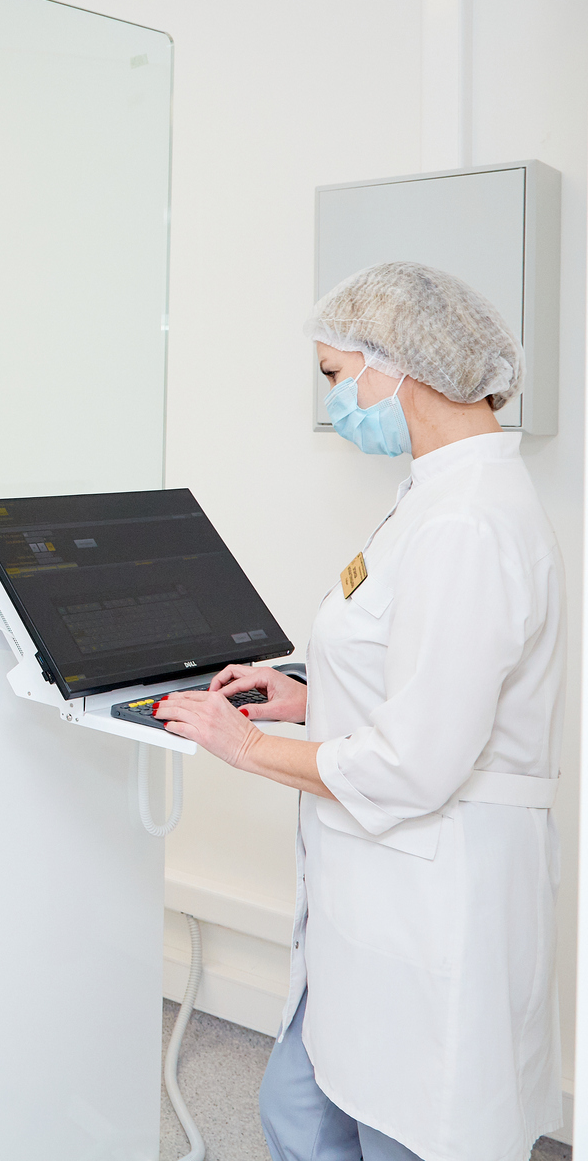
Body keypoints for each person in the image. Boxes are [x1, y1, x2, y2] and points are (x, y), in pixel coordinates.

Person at [154, 261, 565, 1161]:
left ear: (397, 364)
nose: (334, 400)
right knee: (301, 1104)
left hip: (435, 883)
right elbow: (425, 675)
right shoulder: (436, 496)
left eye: (336, 375)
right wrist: (312, 698)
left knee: (402, 1124)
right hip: (383, 876)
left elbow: (414, 763)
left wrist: (245, 745)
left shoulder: (465, 523)